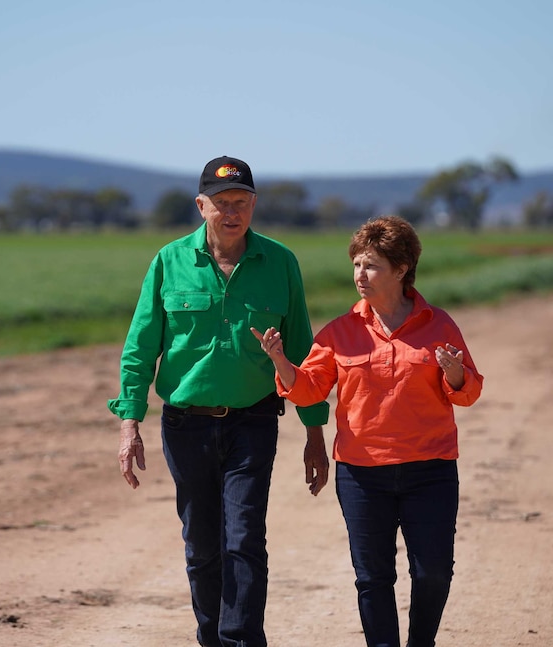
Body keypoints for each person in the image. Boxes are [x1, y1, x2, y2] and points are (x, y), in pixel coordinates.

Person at [108, 155, 330, 647]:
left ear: (254, 205)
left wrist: (315, 433)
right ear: (201, 205)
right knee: (203, 545)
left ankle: (241, 641)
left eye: (242, 202)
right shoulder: (169, 262)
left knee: (245, 539)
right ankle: (212, 639)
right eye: (222, 202)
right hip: (185, 426)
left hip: (253, 422)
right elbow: (141, 347)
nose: (232, 212)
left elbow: (303, 354)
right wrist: (129, 422)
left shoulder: (280, 263)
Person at [251, 215, 483, 647]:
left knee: (433, 571)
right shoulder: (340, 332)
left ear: (401, 269)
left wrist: (453, 374)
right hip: (361, 474)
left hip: (430, 468)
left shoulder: (440, 325)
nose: (360, 274)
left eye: (371, 265)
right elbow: (310, 390)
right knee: (372, 577)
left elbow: (468, 393)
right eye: (357, 264)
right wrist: (281, 361)